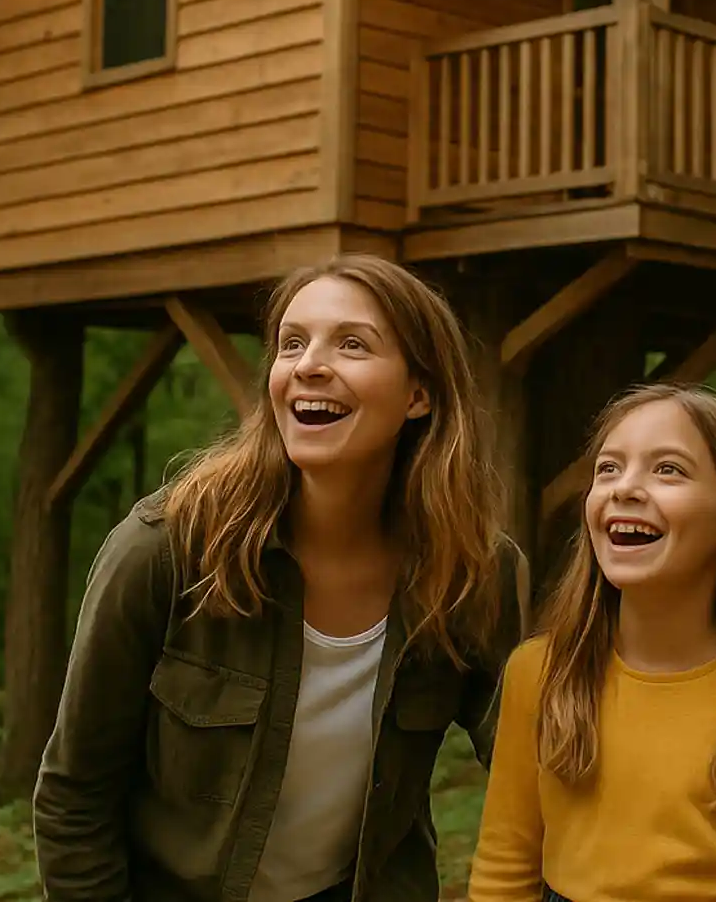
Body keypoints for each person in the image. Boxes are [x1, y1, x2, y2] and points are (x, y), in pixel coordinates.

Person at [33, 254, 527, 902]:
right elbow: (74, 796)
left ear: (418, 393)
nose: (308, 364)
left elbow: (538, 773)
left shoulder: (475, 572)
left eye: (352, 343)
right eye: (291, 343)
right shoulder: (164, 550)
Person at [465, 382, 716, 902]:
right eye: (608, 468)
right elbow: (504, 868)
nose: (624, 488)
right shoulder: (538, 673)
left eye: (668, 469)